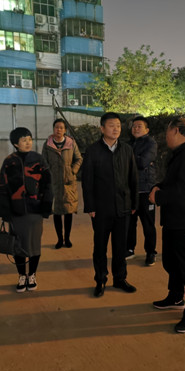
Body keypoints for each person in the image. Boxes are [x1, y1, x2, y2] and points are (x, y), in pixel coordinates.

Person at [149, 117, 185, 333]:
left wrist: (159, 196)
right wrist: (158, 187)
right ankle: (175, 296)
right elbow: (172, 182)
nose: (166, 136)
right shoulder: (180, 154)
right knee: (172, 262)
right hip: (174, 219)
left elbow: (184, 189)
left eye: (167, 131)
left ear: (177, 131)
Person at [82, 112, 139, 297]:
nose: (116, 129)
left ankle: (120, 278)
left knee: (120, 246)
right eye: (112, 125)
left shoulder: (127, 149)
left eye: (118, 126)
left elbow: (133, 178)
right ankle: (100, 280)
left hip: (123, 206)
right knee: (100, 247)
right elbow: (87, 181)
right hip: (101, 208)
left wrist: (134, 203)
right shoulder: (93, 150)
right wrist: (90, 206)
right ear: (102, 128)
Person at [0, 127, 53, 293]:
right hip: (16, 211)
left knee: (34, 244)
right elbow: (2, 188)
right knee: (18, 245)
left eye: (29, 139)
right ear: (16, 144)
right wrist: (5, 211)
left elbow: (48, 184)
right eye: (24, 140)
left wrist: (46, 205)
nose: (28, 142)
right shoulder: (9, 162)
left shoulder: (39, 159)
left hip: (35, 210)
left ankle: (32, 275)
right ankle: (22, 275)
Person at [42, 119, 83, 249]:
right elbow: (44, 162)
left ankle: (67, 238)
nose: (58, 130)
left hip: (68, 183)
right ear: (53, 129)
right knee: (57, 211)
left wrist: (72, 171)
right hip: (54, 183)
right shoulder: (47, 145)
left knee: (68, 211)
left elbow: (79, 159)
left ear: (65, 130)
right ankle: (60, 239)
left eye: (61, 128)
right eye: (56, 127)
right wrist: (49, 174)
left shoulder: (71, 143)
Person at [125, 116, 157, 266]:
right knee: (130, 223)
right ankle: (129, 249)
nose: (136, 128)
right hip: (130, 190)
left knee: (148, 224)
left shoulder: (151, 143)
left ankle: (151, 252)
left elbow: (143, 162)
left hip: (145, 190)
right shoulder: (128, 143)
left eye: (139, 126)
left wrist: (129, 159)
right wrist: (135, 158)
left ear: (147, 129)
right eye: (134, 126)